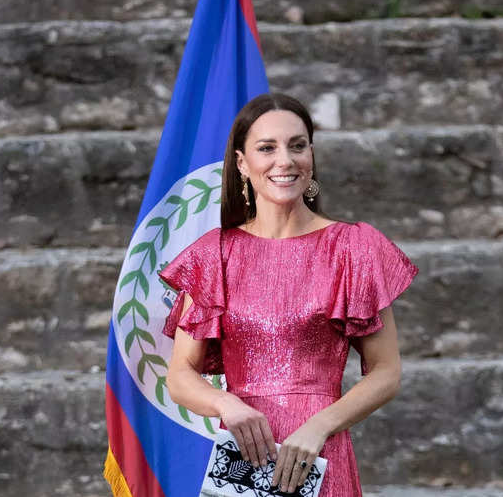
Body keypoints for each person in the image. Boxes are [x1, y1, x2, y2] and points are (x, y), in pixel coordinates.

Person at [159, 93, 418, 496]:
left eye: (297, 145)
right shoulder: (214, 254)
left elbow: (386, 372)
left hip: (319, 454)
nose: (285, 160)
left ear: (311, 156)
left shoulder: (354, 248)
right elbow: (180, 376)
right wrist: (227, 405)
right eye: (267, 148)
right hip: (242, 462)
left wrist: (319, 426)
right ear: (242, 164)